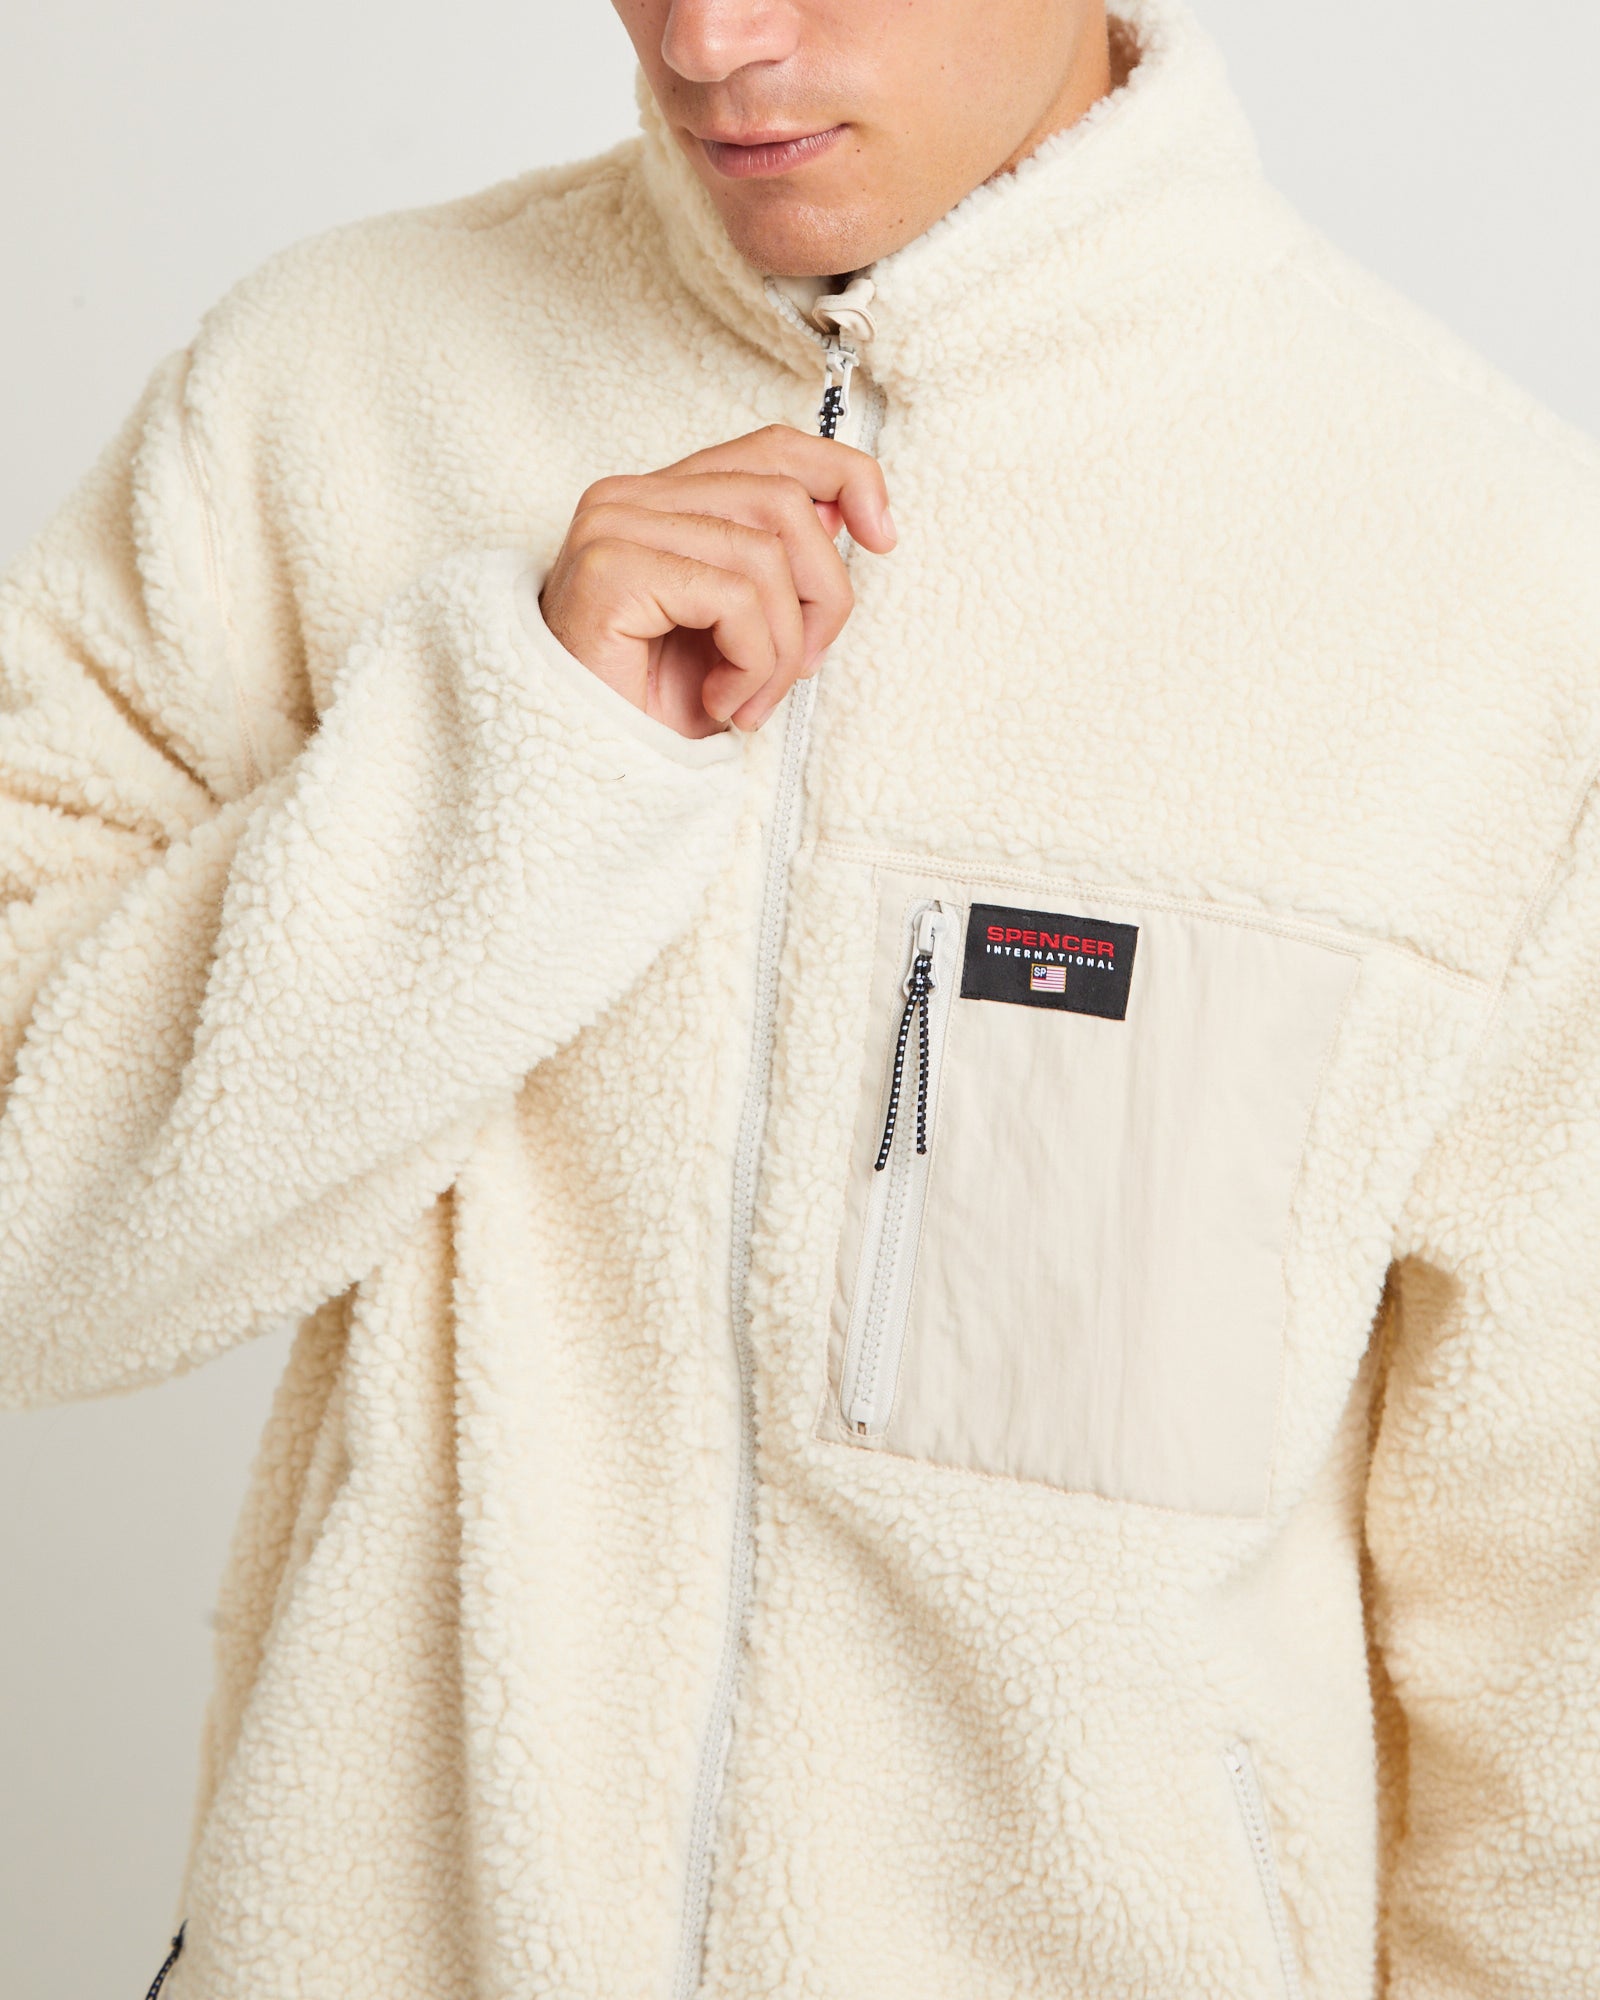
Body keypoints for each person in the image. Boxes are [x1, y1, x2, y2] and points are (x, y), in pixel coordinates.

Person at [2, 0, 1596, 1991]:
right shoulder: (325, 396)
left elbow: (1556, 1643)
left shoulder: (1492, 594)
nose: (706, 36)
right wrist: (520, 756)